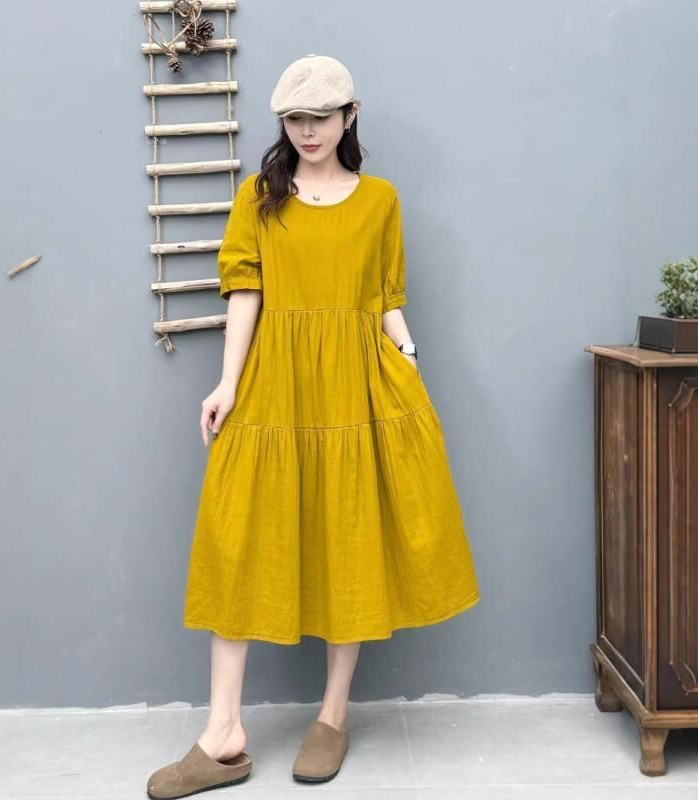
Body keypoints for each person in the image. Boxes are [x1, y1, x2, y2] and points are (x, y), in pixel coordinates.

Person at [146, 54, 481, 800]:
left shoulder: (381, 200)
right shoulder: (259, 198)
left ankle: (332, 716)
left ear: (349, 116)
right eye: (294, 119)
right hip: (275, 383)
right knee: (238, 541)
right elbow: (244, 292)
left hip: (355, 385)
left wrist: (409, 359)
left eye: (320, 118)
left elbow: (386, 297)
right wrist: (227, 383)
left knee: (348, 536)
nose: (306, 131)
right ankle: (222, 732)